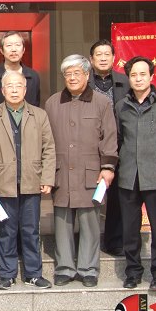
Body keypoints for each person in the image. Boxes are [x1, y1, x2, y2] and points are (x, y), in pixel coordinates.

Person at [45, 54, 117, 288]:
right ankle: (64, 268)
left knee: (89, 223)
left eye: (77, 73)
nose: (73, 77)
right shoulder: (53, 103)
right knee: (62, 223)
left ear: (87, 75)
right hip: (61, 171)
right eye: (68, 73)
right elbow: (46, 140)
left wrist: (108, 167)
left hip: (91, 172)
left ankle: (88, 269)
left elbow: (109, 136)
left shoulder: (101, 102)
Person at [0, 71, 54, 290]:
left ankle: (33, 274)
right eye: (10, 86)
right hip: (3, 183)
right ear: (2, 90)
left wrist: (47, 178)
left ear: (25, 89)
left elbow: (49, 148)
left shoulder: (39, 115)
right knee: (6, 230)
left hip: (31, 181)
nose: (14, 90)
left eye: (18, 86)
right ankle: (6, 274)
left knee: (31, 230)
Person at [117, 56, 156, 292]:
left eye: (143, 74)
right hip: (129, 176)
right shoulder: (121, 106)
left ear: (152, 76)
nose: (138, 79)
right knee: (130, 228)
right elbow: (119, 138)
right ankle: (133, 272)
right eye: (133, 75)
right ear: (129, 78)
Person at [0, 31, 41, 253]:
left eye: (18, 45)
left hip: (26, 143)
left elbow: (35, 107)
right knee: (2, 203)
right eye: (9, 45)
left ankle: (24, 248)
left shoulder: (33, 76)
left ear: (23, 50)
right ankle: (0, 247)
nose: (14, 49)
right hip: (0, 140)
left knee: (27, 209)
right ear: (1, 50)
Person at [87, 39, 130, 257]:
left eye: (107, 54)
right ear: (91, 59)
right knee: (88, 194)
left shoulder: (125, 81)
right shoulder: (83, 80)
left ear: (114, 58)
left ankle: (114, 241)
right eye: (99, 54)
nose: (103, 58)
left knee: (117, 196)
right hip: (90, 145)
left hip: (119, 144)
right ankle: (87, 241)